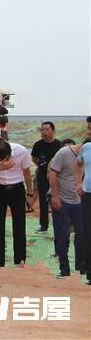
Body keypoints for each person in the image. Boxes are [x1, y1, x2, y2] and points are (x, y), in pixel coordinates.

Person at [0, 140, 33, 267]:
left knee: (19, 225)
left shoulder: (21, 151)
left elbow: (27, 173)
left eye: (5, 158)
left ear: (10, 153)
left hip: (17, 189)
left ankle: (20, 260)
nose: (2, 160)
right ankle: (0, 262)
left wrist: (30, 194)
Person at [48, 138, 85, 278]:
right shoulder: (63, 153)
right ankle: (64, 269)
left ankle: (81, 267)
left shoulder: (86, 156)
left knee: (82, 234)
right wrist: (55, 196)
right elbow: (53, 174)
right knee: (62, 236)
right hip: (62, 200)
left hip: (80, 201)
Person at [31, 121, 62, 233]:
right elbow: (34, 158)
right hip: (42, 176)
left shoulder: (59, 144)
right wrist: (43, 165)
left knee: (57, 200)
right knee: (43, 201)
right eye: (42, 130)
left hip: (57, 177)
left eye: (46, 129)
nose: (44, 132)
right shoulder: (38, 144)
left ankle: (59, 224)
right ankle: (44, 225)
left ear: (53, 131)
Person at [74, 116, 91, 285]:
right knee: (88, 233)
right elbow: (77, 165)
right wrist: (78, 184)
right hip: (88, 195)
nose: (88, 131)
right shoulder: (86, 147)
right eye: (88, 128)